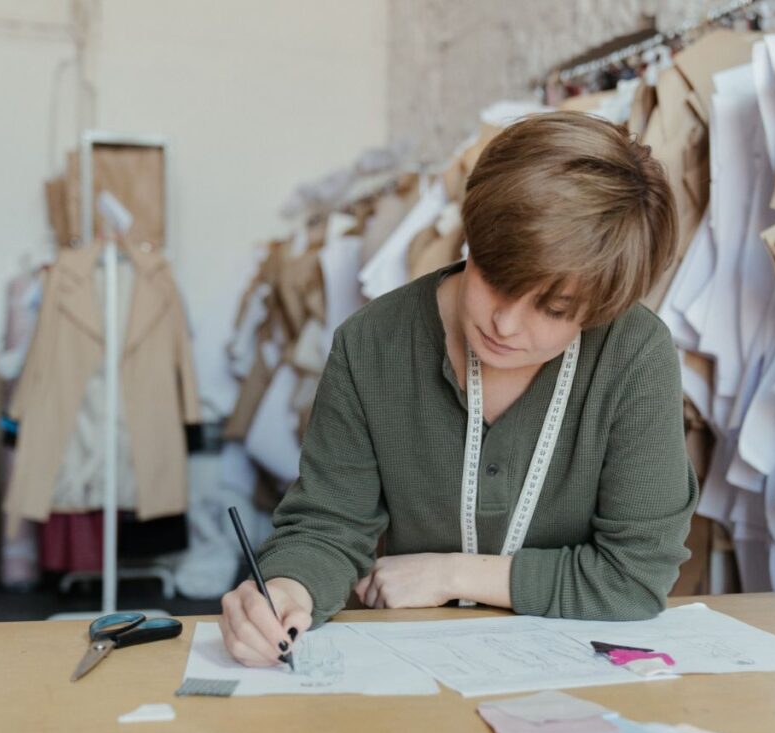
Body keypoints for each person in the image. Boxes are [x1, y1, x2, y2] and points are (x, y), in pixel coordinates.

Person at [220, 111, 699, 667]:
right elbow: (329, 524)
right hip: (415, 671)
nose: (507, 324)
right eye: (495, 279)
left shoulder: (633, 355)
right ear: (471, 240)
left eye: (554, 308)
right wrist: (287, 590)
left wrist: (451, 573)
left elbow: (635, 578)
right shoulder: (372, 344)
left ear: (601, 309)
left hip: (577, 679)